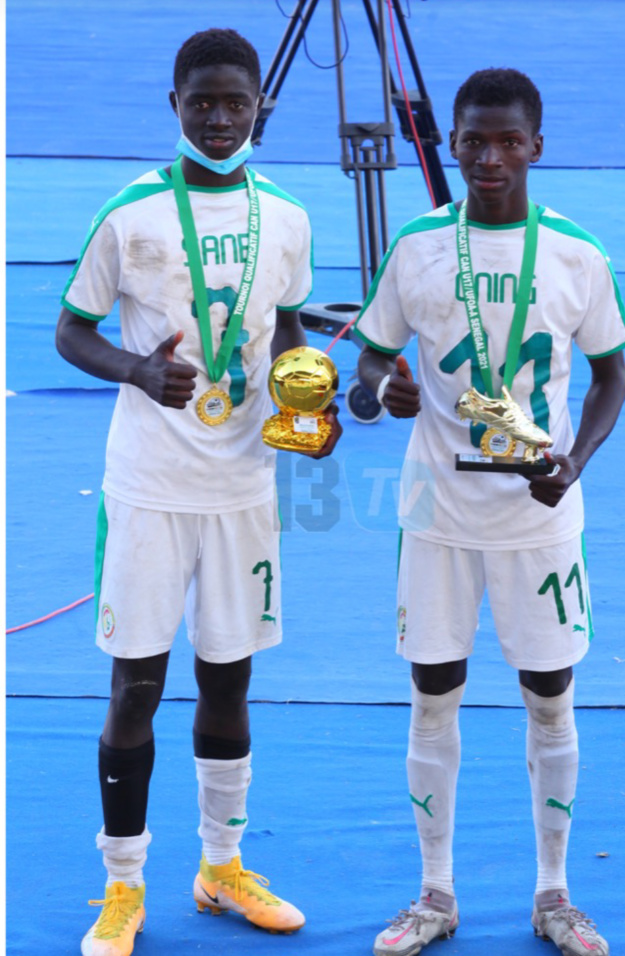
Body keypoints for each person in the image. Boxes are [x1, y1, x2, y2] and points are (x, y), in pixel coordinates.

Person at [56, 27, 341, 956]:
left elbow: (288, 326)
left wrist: (309, 396)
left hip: (244, 488)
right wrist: (137, 370)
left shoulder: (288, 217)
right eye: (200, 102)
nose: (219, 118)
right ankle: (123, 885)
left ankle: (221, 868)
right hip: (148, 489)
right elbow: (71, 332)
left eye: (235, 102)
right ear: (172, 106)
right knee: (135, 686)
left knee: (229, 680)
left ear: (261, 105)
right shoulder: (131, 214)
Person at [355, 68, 625, 956]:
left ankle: (554, 895)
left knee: (549, 698)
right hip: (436, 511)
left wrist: (576, 461)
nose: (489, 157)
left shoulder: (576, 256)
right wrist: (380, 392)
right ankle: (434, 893)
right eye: (471, 140)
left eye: (508, 140)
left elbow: (611, 376)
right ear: (452, 145)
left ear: (536, 147)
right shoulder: (417, 248)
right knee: (432, 696)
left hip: (538, 518)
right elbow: (368, 365)